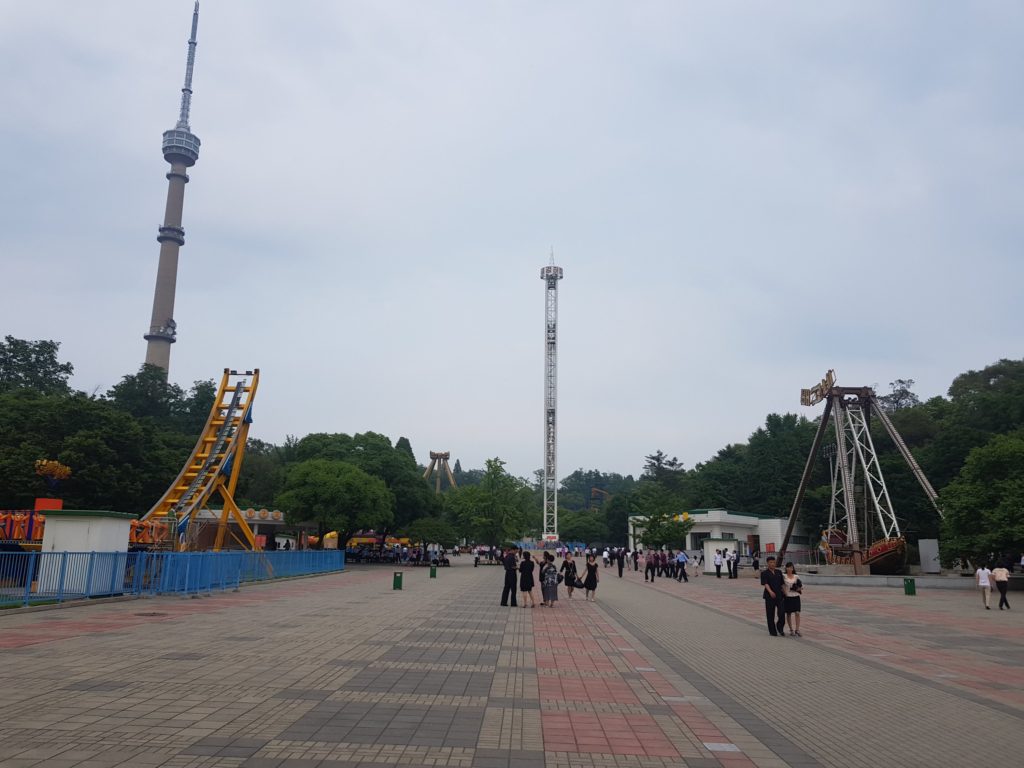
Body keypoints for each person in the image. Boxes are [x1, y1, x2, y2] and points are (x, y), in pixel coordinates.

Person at [760, 556, 786, 637]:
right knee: (770, 614)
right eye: (771, 562)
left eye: (774, 562)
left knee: (782, 613)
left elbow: (782, 584)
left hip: (779, 595)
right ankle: (772, 631)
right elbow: (765, 583)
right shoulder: (764, 573)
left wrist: (785, 592)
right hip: (769, 596)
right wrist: (770, 591)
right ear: (767, 563)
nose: (772, 564)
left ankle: (780, 627)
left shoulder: (779, 572)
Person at [782, 562, 803, 636]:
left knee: (797, 612)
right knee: (788, 613)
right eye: (788, 567)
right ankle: (791, 629)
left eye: (791, 567)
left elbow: (801, 586)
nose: (790, 569)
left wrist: (797, 588)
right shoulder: (784, 576)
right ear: (786, 568)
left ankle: (797, 629)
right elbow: (782, 585)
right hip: (788, 596)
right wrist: (785, 593)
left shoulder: (796, 576)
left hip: (796, 596)